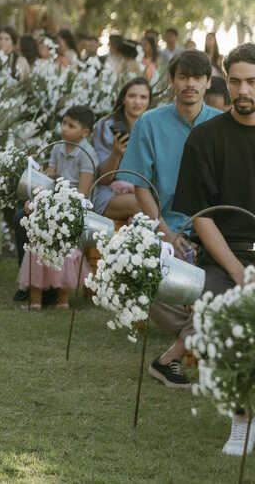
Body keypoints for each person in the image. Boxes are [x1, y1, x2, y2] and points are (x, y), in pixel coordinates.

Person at [118, 49, 219, 388]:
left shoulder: (220, 123)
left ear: (207, 82)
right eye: (183, 76)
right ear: (173, 81)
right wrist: (166, 233)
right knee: (143, 278)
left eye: (196, 77)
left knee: (223, 284)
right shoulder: (150, 122)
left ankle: (176, 353)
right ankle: (204, 338)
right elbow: (141, 185)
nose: (189, 83)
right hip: (162, 224)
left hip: (214, 228)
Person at [173, 42, 255, 456]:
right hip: (227, 255)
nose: (244, 90)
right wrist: (240, 272)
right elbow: (202, 217)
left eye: (253, 82)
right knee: (223, 310)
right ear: (224, 77)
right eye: (237, 80)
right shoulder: (205, 139)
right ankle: (241, 420)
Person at [17, 105, 96, 310]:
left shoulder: (86, 153)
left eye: (71, 125)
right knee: (28, 221)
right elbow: (49, 178)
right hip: (53, 198)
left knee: (60, 238)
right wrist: (37, 195)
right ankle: (35, 294)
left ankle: (60, 297)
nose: (64, 128)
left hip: (73, 205)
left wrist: (59, 206)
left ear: (84, 132)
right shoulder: (58, 147)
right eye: (64, 123)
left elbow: (83, 193)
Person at [90, 77, 151, 220]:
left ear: (149, 101)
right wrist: (116, 154)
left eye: (143, 97)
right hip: (108, 191)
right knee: (143, 205)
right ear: (123, 99)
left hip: (141, 189)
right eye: (132, 96)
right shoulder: (106, 125)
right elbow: (103, 179)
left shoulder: (152, 126)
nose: (137, 102)